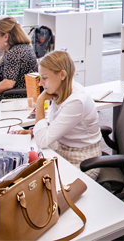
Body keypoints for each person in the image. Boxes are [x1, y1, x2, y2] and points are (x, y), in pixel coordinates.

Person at [28, 51, 102, 180]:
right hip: (62, 149)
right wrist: (33, 131)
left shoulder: (76, 101)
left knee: (50, 191)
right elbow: (52, 126)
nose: (40, 84)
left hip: (83, 160)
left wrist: (40, 102)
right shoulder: (61, 91)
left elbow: (42, 141)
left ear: (62, 75)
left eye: (44, 78)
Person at [0, 17, 37, 104]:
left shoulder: (14, 53)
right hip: (11, 96)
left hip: (10, 99)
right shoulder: (22, 47)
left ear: (6, 36)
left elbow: (8, 83)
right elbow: (5, 75)